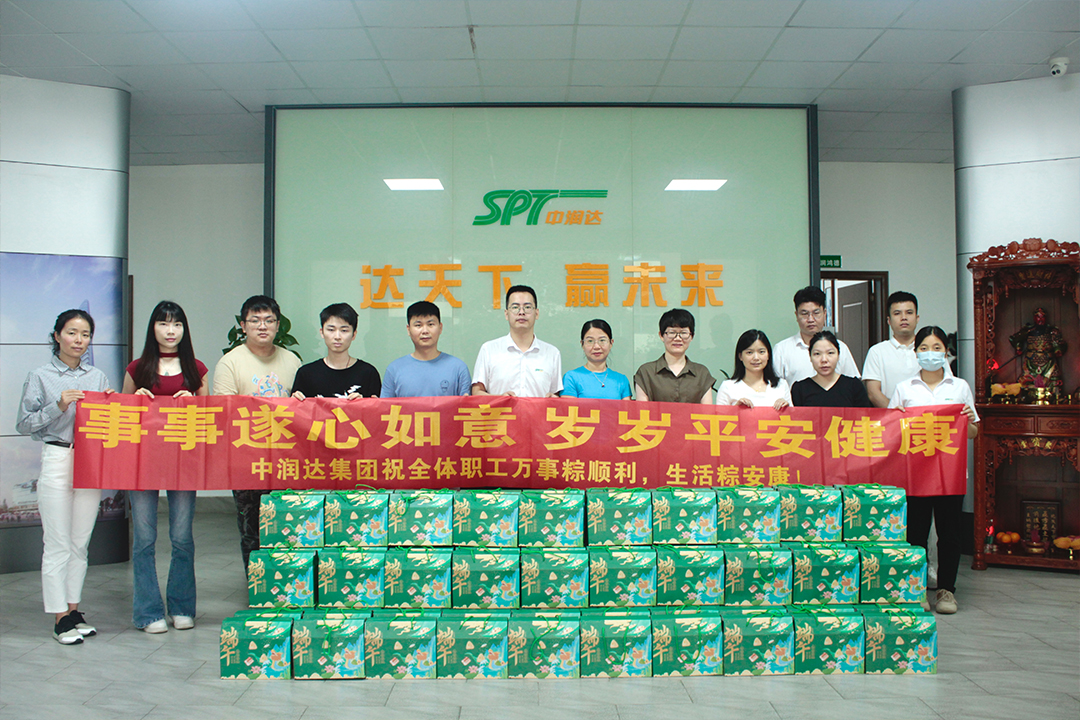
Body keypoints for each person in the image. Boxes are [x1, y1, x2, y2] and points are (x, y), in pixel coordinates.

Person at [16, 309, 110, 645]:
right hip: (57, 456)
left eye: (85, 334)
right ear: (57, 336)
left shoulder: (97, 377)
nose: (78, 340)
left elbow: (109, 421)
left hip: (90, 460)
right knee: (57, 543)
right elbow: (23, 424)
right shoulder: (40, 376)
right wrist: (58, 405)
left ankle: (73, 610)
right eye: (72, 333)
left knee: (79, 543)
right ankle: (59, 618)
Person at [121, 301, 208, 633]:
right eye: (163, 324)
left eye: (177, 324)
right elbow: (121, 419)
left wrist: (195, 404)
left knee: (182, 537)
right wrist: (135, 402)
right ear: (153, 328)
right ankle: (148, 612)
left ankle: (182, 606)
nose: (171, 331)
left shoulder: (196, 369)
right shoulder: (137, 368)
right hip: (142, 465)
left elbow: (211, 419)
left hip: (183, 464)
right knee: (144, 538)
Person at [889, 325, 980, 615]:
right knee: (915, 534)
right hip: (915, 475)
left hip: (949, 476)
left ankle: (946, 590)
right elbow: (889, 432)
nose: (931, 354)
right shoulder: (904, 389)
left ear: (946, 352)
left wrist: (967, 421)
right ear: (916, 353)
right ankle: (916, 589)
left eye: (937, 348)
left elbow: (973, 432)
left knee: (949, 534)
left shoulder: (959, 387)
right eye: (925, 348)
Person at [213, 295, 302, 571]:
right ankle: (256, 585)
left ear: (278, 325)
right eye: (255, 320)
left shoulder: (292, 361)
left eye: (269, 320)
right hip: (247, 461)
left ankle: (286, 584)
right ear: (243, 325)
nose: (262, 326)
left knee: (288, 527)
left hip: (287, 460)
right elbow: (224, 413)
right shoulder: (230, 362)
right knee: (251, 530)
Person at [863, 291, 951, 408]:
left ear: (917, 318)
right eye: (897, 313)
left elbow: (948, 385)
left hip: (931, 415)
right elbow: (873, 393)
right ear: (889, 320)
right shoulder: (877, 351)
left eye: (909, 312)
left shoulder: (931, 351)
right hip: (892, 416)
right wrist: (896, 413)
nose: (904, 318)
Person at [472, 285, 562, 397]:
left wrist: (554, 398)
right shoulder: (489, 350)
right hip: (501, 409)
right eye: (515, 307)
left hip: (538, 410)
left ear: (537, 313)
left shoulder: (552, 353)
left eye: (527, 307)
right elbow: (476, 392)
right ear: (506, 314)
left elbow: (555, 395)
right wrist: (500, 399)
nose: (521, 312)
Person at [381, 301, 471, 398]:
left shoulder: (458, 368)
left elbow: (466, 405)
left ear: (440, 328)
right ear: (408, 330)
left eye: (430, 324)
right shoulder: (394, 369)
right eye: (418, 325)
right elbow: (385, 406)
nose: (425, 331)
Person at [773, 286, 861, 385]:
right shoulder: (782, 350)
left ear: (825, 313)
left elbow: (853, 384)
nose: (810, 319)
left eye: (816, 313)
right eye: (804, 314)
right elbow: (773, 387)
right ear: (796, 315)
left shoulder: (841, 348)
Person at [292, 303, 380, 399]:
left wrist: (364, 403)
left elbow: (377, 407)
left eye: (344, 330)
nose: (337, 337)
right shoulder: (306, 373)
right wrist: (295, 401)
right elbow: (296, 407)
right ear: (322, 332)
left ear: (354, 334)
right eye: (331, 330)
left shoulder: (368, 373)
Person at [634, 309, 715, 404]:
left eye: (683, 333)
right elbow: (642, 411)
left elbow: (707, 411)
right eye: (672, 333)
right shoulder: (646, 372)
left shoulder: (702, 373)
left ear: (692, 336)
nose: (678, 338)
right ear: (661, 335)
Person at [790, 330, 871, 408]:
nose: (824, 360)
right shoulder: (799, 388)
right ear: (810, 357)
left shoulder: (854, 386)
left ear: (838, 355)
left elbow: (864, 415)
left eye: (830, 353)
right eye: (817, 354)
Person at [715, 329, 791, 410]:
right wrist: (735, 410)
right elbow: (719, 417)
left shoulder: (781, 385)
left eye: (761, 352)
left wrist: (787, 409)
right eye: (749, 352)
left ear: (768, 355)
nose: (756, 358)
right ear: (740, 356)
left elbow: (793, 417)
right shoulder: (728, 387)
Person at [561, 319, 633, 400]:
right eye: (590, 341)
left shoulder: (621, 380)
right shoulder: (571, 377)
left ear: (611, 343)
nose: (596, 346)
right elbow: (569, 407)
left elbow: (626, 408)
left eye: (602, 340)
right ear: (582, 344)